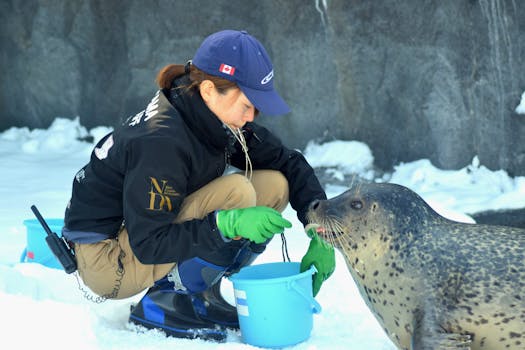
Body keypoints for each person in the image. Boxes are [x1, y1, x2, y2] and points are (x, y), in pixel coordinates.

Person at [63, 29, 335, 341]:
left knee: (274, 185)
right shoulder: (162, 142)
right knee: (239, 195)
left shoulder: (209, 116)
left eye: (256, 108)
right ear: (208, 90)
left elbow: (289, 161)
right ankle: (164, 301)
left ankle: (203, 294)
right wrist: (227, 224)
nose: (251, 116)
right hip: (110, 261)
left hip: (138, 234)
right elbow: (150, 242)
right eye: (248, 104)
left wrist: (320, 229)